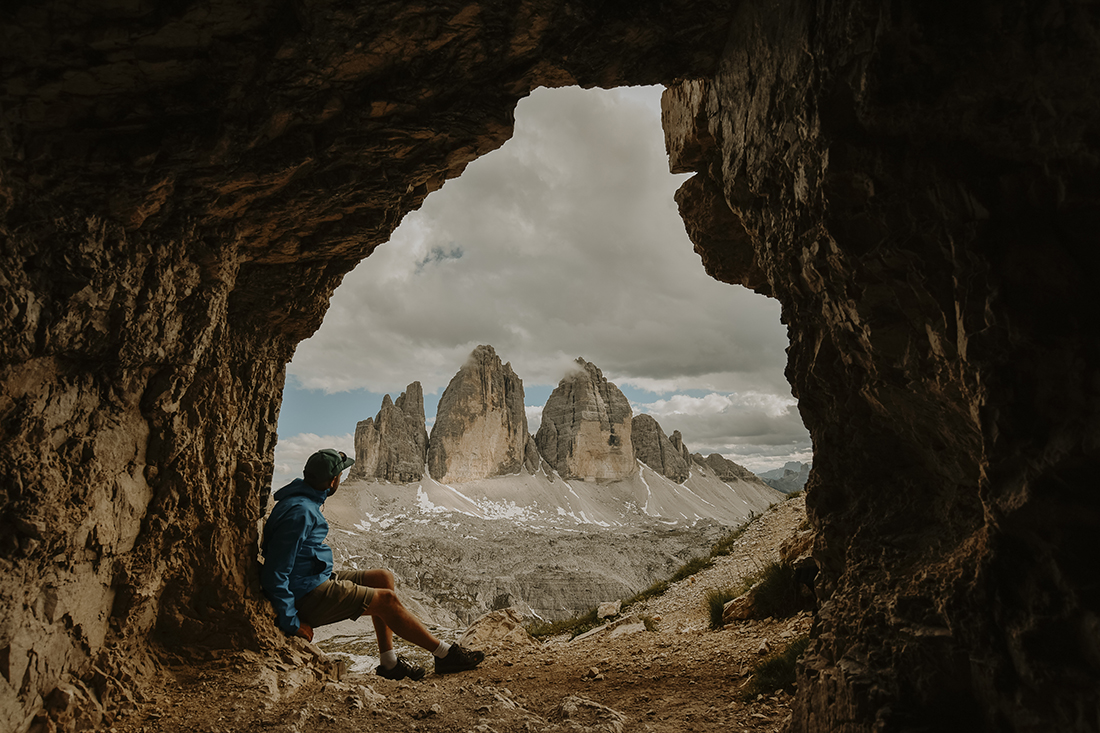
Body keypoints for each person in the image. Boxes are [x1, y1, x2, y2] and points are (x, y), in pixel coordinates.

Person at [260, 448, 484, 680]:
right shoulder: (301, 512)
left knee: (382, 578)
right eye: (340, 476)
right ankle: (445, 655)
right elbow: (275, 572)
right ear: (333, 481)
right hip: (306, 594)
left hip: (312, 579)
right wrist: (292, 622)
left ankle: (389, 664)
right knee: (387, 601)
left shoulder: (302, 500)